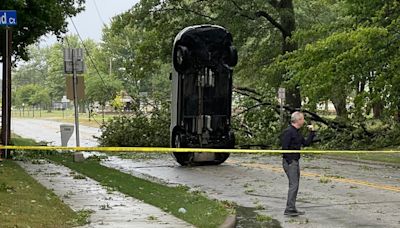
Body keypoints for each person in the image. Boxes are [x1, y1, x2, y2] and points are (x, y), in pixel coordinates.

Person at [281, 111, 316, 216]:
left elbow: (306, 143)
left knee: (295, 185)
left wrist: (312, 133)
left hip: (296, 161)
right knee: (294, 185)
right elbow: (284, 148)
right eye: (303, 119)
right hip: (290, 162)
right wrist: (290, 161)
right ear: (298, 120)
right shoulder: (288, 132)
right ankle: (289, 209)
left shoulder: (297, 132)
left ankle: (292, 207)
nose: (304, 121)